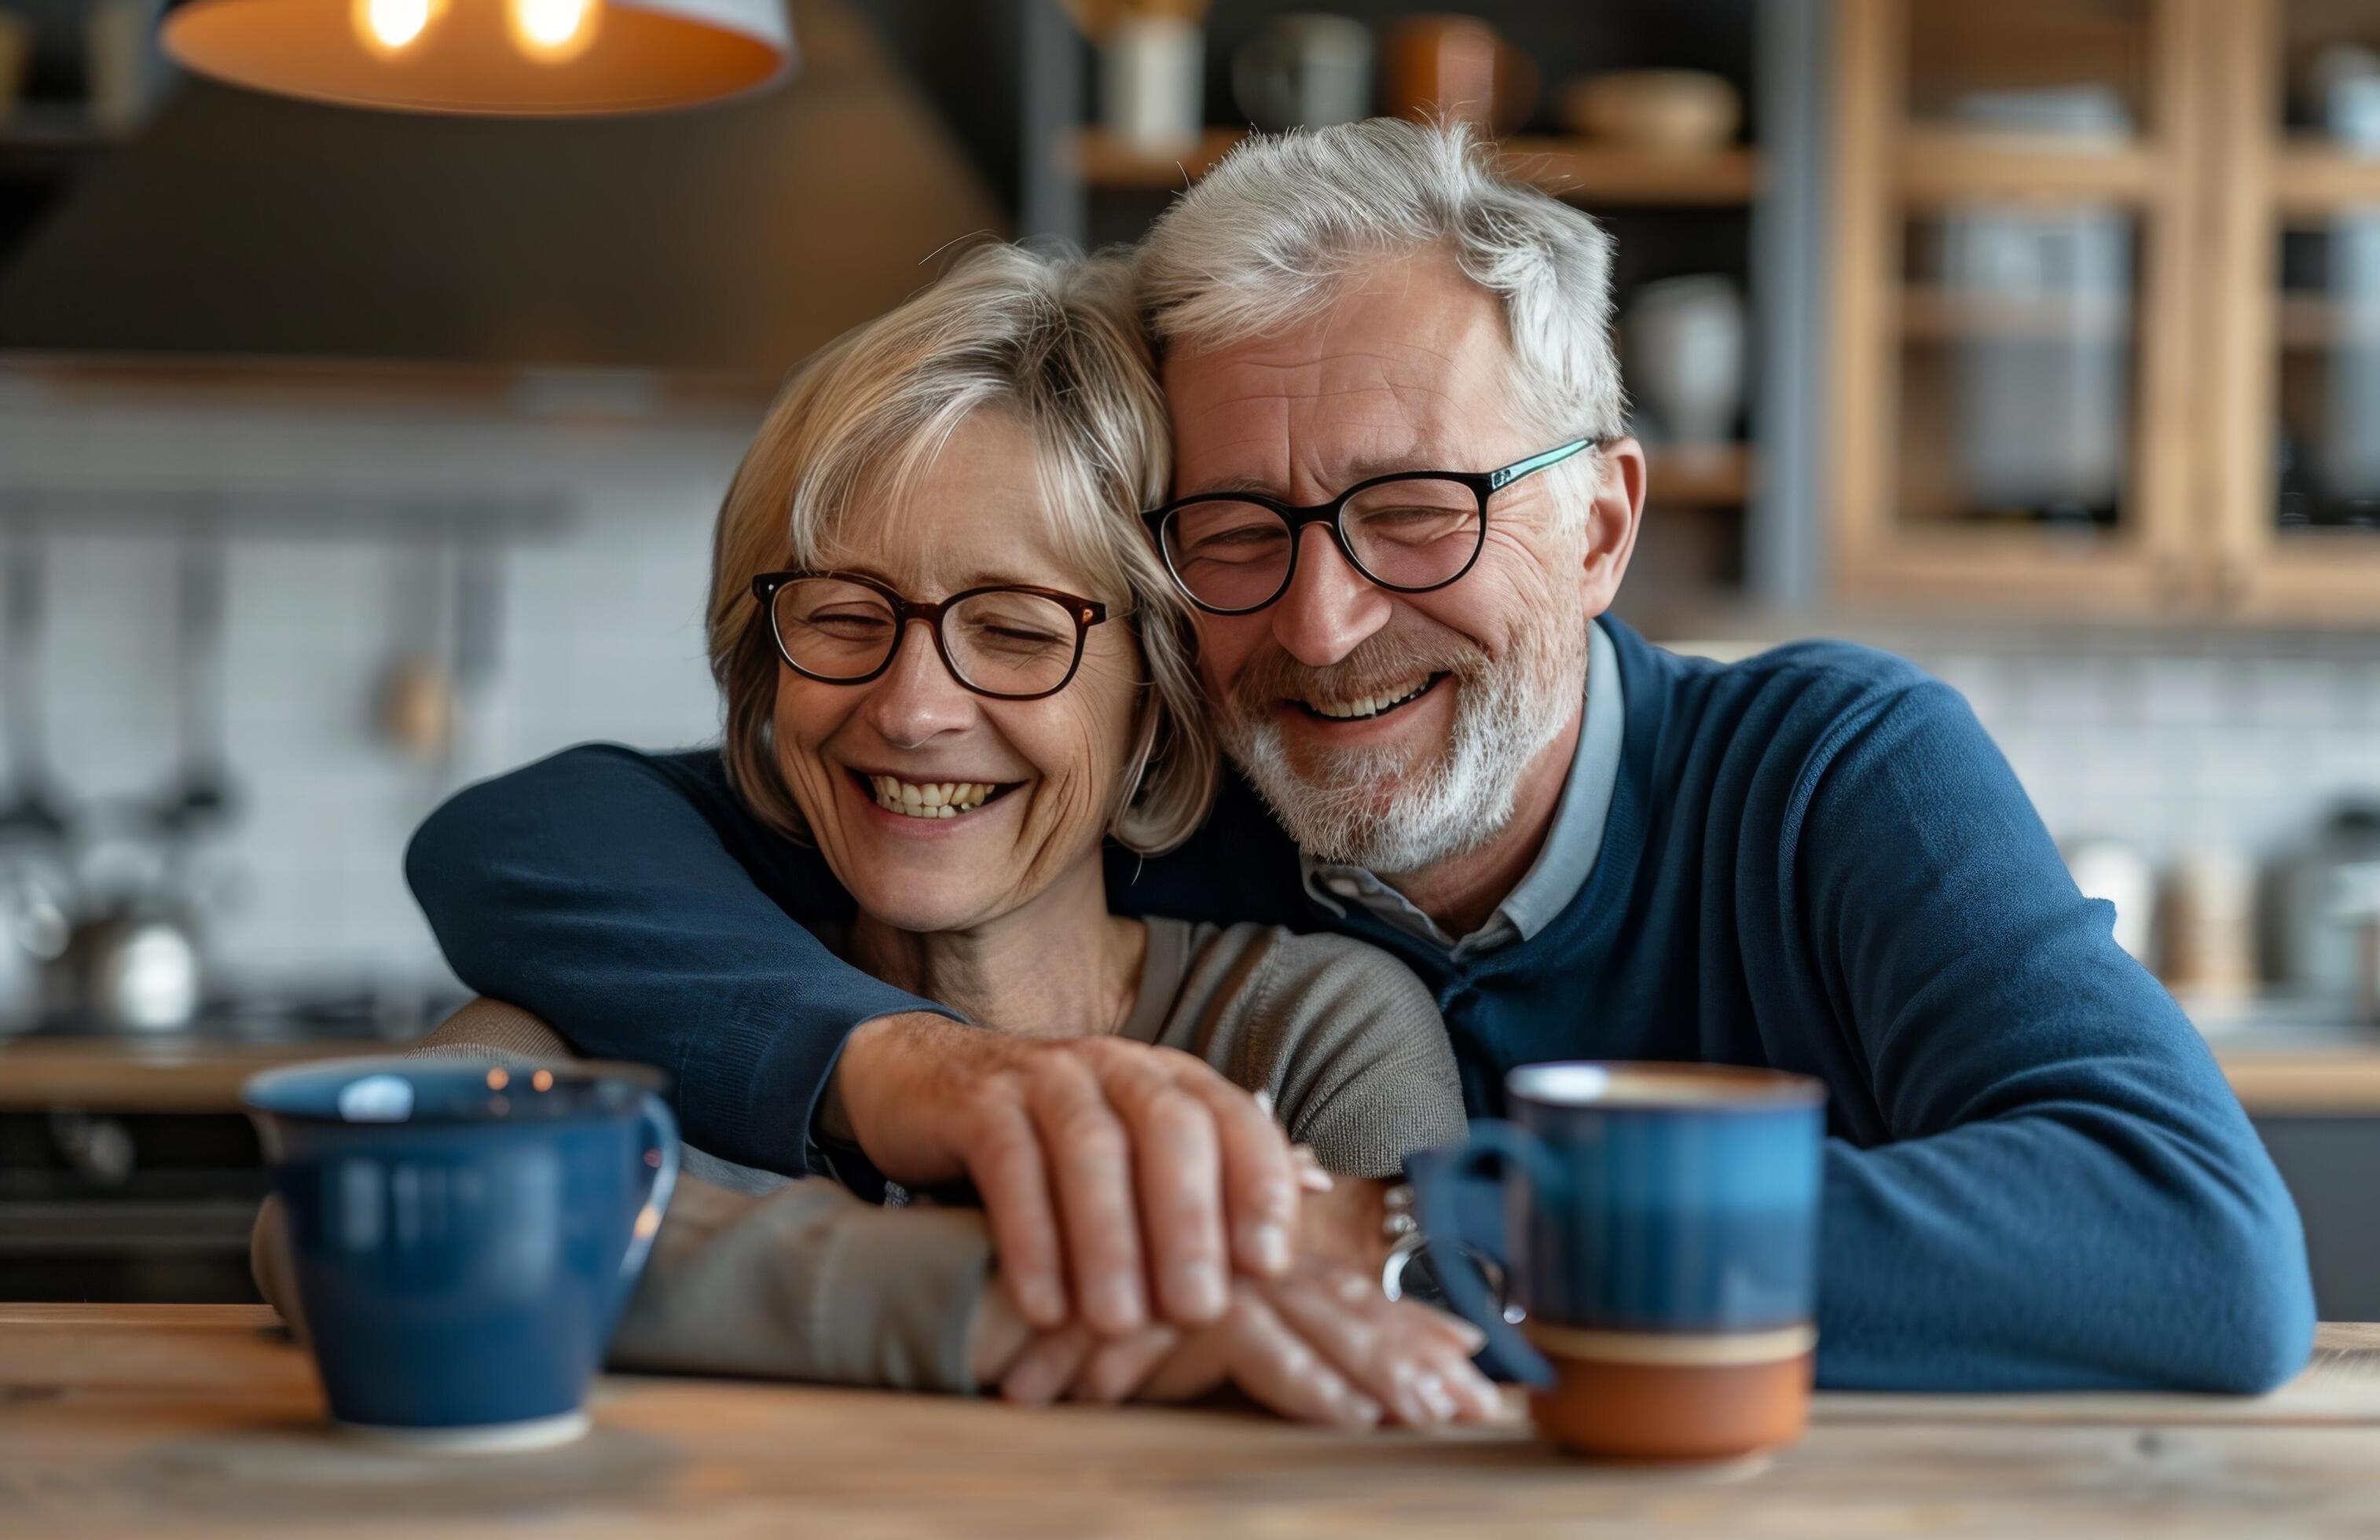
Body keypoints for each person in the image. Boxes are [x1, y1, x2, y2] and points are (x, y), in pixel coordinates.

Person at [408, 120, 2316, 1393]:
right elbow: (533, 839)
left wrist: (1395, 1228)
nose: (1316, 628)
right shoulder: (1174, 792)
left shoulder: (1831, 773)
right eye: (1238, 530)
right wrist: (907, 1069)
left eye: (1416, 511)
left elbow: (2192, 1250)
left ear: (1600, 520)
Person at [262, 244, 1498, 1427]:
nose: (909, 711)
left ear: (1154, 702)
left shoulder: (1306, 1032)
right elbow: (343, 1219)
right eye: (845, 616)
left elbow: (1414, 1405)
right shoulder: (627, 1001)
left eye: (1015, 632)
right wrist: (981, 1302)